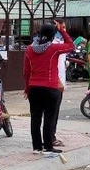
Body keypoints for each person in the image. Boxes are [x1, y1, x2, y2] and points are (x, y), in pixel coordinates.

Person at [23, 21, 73, 154]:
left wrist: (27, 88)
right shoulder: (54, 48)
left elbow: (26, 72)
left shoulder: (29, 49)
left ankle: (36, 147)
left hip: (34, 88)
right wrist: (62, 30)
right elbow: (71, 45)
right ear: (53, 35)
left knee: (35, 118)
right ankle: (48, 147)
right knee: (49, 117)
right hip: (50, 88)